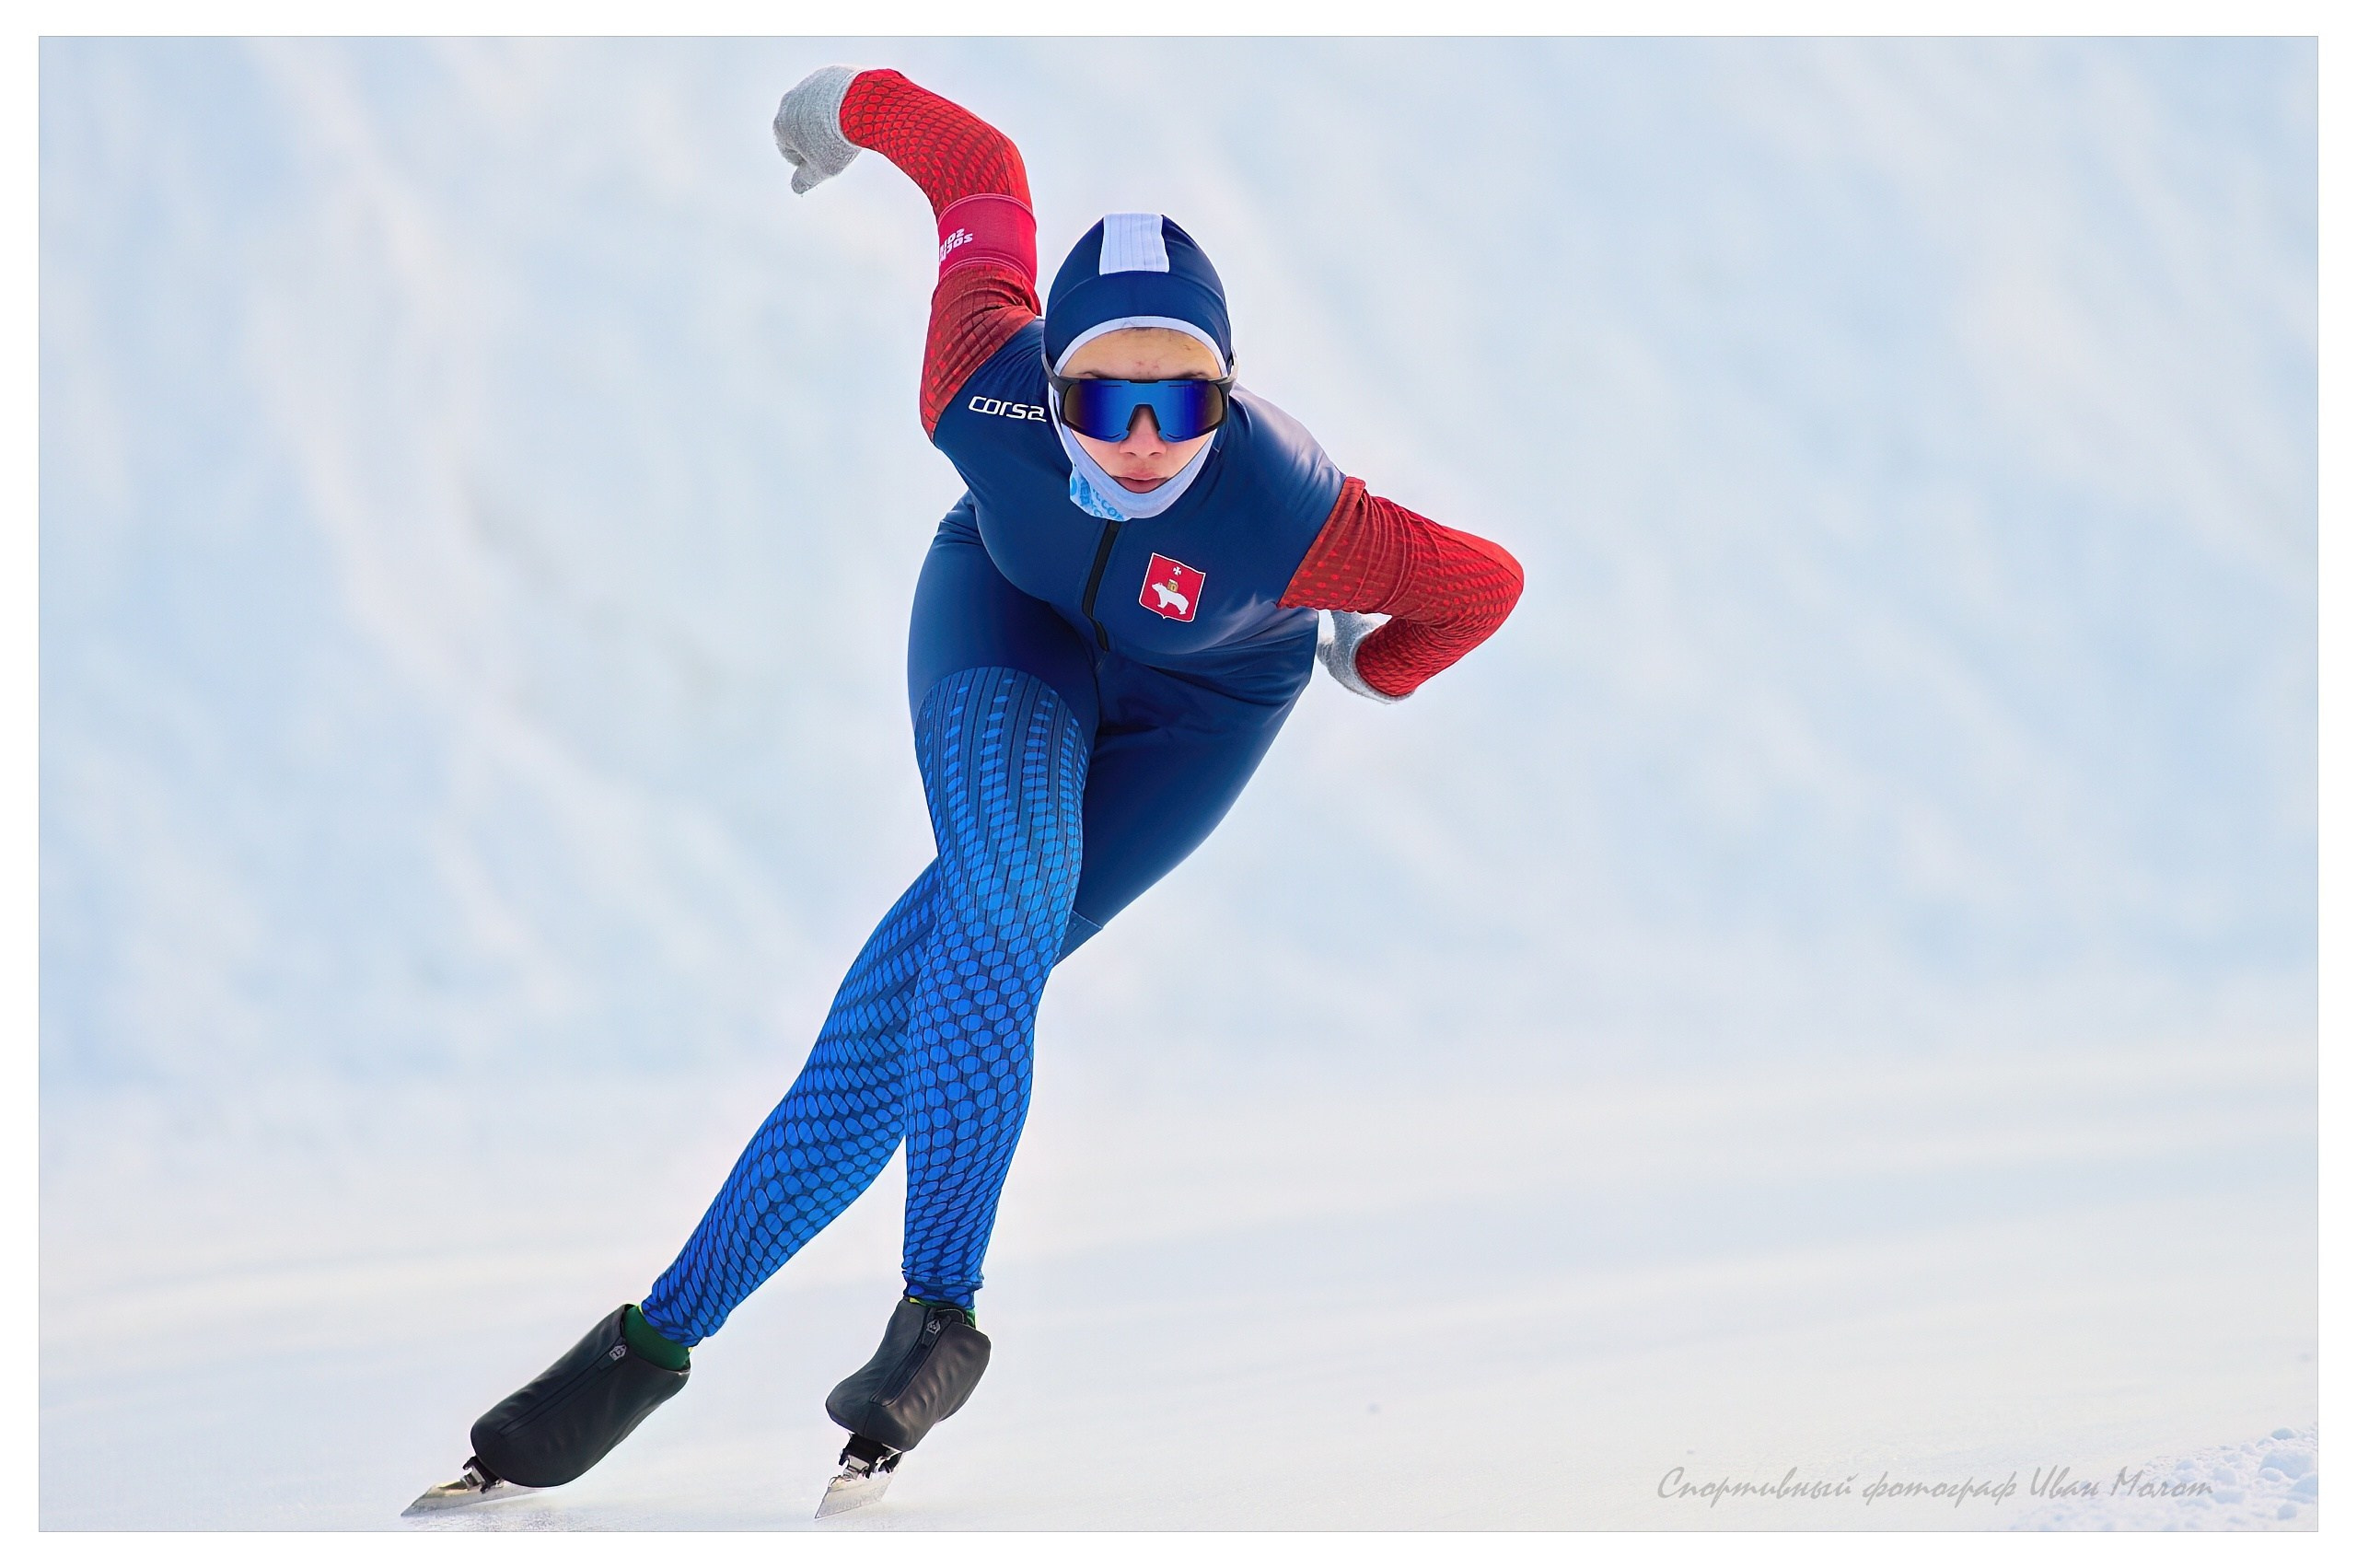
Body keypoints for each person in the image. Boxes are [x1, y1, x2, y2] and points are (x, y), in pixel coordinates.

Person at [408, 63, 1524, 1516]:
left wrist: (1374, 668)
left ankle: (676, 1343)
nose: (1142, 436)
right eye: (1103, 395)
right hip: (1011, 622)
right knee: (999, 900)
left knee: (914, 1007)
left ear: (1229, 392)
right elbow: (979, 169)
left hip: (1203, 710)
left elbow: (1483, 587)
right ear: (1044, 382)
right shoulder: (974, 380)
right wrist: (844, 100)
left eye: (1183, 398)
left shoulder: (1298, 516)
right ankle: (907, 1319)